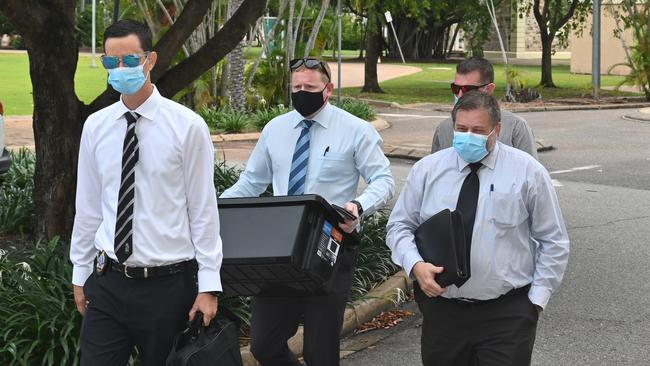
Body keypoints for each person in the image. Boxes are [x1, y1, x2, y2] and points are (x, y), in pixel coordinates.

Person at [221, 58, 395, 366]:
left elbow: (384, 180)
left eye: (310, 87)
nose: (302, 92)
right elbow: (251, 182)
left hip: (330, 244)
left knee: (320, 351)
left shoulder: (355, 130)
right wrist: (216, 208)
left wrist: (359, 205)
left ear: (327, 89)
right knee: (264, 344)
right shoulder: (275, 129)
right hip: (279, 248)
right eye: (296, 87)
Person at [69, 20, 222, 366]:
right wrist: (80, 272)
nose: (120, 69)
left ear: (150, 60)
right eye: (111, 62)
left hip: (167, 287)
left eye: (129, 60)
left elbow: (203, 210)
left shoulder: (187, 127)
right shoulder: (96, 126)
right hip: (108, 283)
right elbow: (89, 206)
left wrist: (209, 285)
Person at [387, 91, 569, 366]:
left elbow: (553, 240)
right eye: (461, 129)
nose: (467, 136)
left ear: (496, 130)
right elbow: (400, 226)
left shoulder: (528, 172)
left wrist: (535, 303)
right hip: (443, 312)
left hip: (507, 316)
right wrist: (415, 266)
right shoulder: (428, 170)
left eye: (477, 130)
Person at [431, 57, 538, 159]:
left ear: (489, 89)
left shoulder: (516, 128)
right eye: (456, 88)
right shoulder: (443, 129)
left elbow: (531, 172)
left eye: (468, 89)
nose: (459, 95)